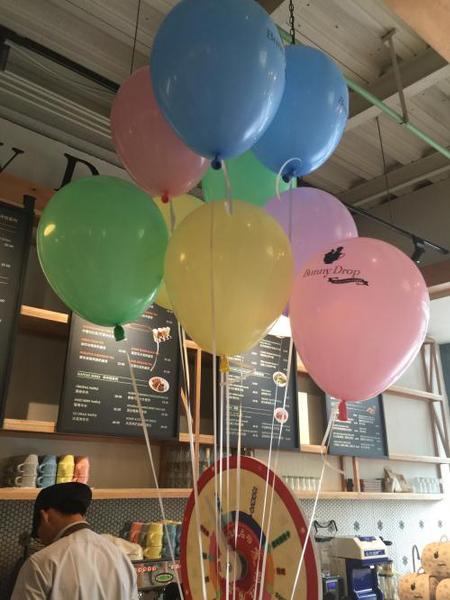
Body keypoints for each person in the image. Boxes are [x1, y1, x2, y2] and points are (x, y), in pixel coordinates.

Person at [11, 482, 138, 599]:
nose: (43, 542)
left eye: (38, 536)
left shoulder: (41, 563)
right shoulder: (121, 558)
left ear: (46, 516)